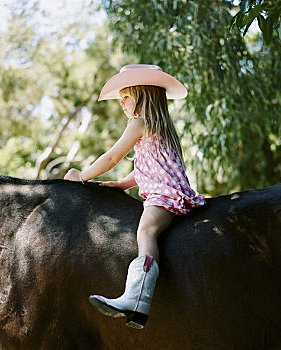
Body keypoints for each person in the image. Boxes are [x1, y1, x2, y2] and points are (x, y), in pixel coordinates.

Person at [64, 64, 205, 329]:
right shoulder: (158, 127)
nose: (121, 103)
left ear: (142, 95)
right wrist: (121, 183)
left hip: (163, 196)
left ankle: (138, 297)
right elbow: (149, 166)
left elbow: (112, 156)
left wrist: (83, 175)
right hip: (167, 190)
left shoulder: (139, 122)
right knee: (145, 230)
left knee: (146, 232)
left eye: (125, 97)